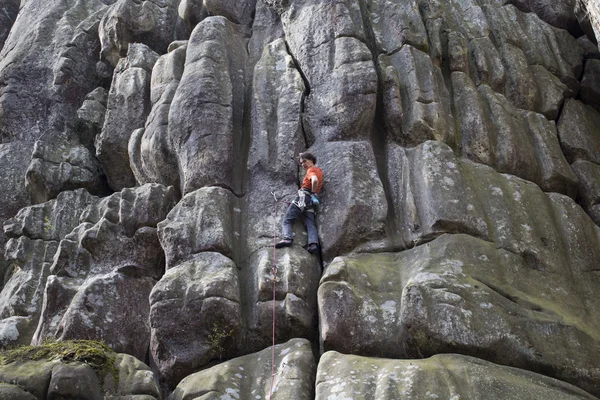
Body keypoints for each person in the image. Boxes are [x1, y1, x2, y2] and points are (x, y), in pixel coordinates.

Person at [275, 152, 323, 254]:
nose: (303, 164)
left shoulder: (311, 170)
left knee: (287, 220)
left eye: (304, 161)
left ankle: (287, 238)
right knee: (310, 223)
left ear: (311, 160)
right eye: (301, 163)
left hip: (304, 196)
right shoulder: (320, 171)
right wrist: (314, 194)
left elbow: (314, 180)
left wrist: (313, 192)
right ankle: (313, 244)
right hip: (311, 202)